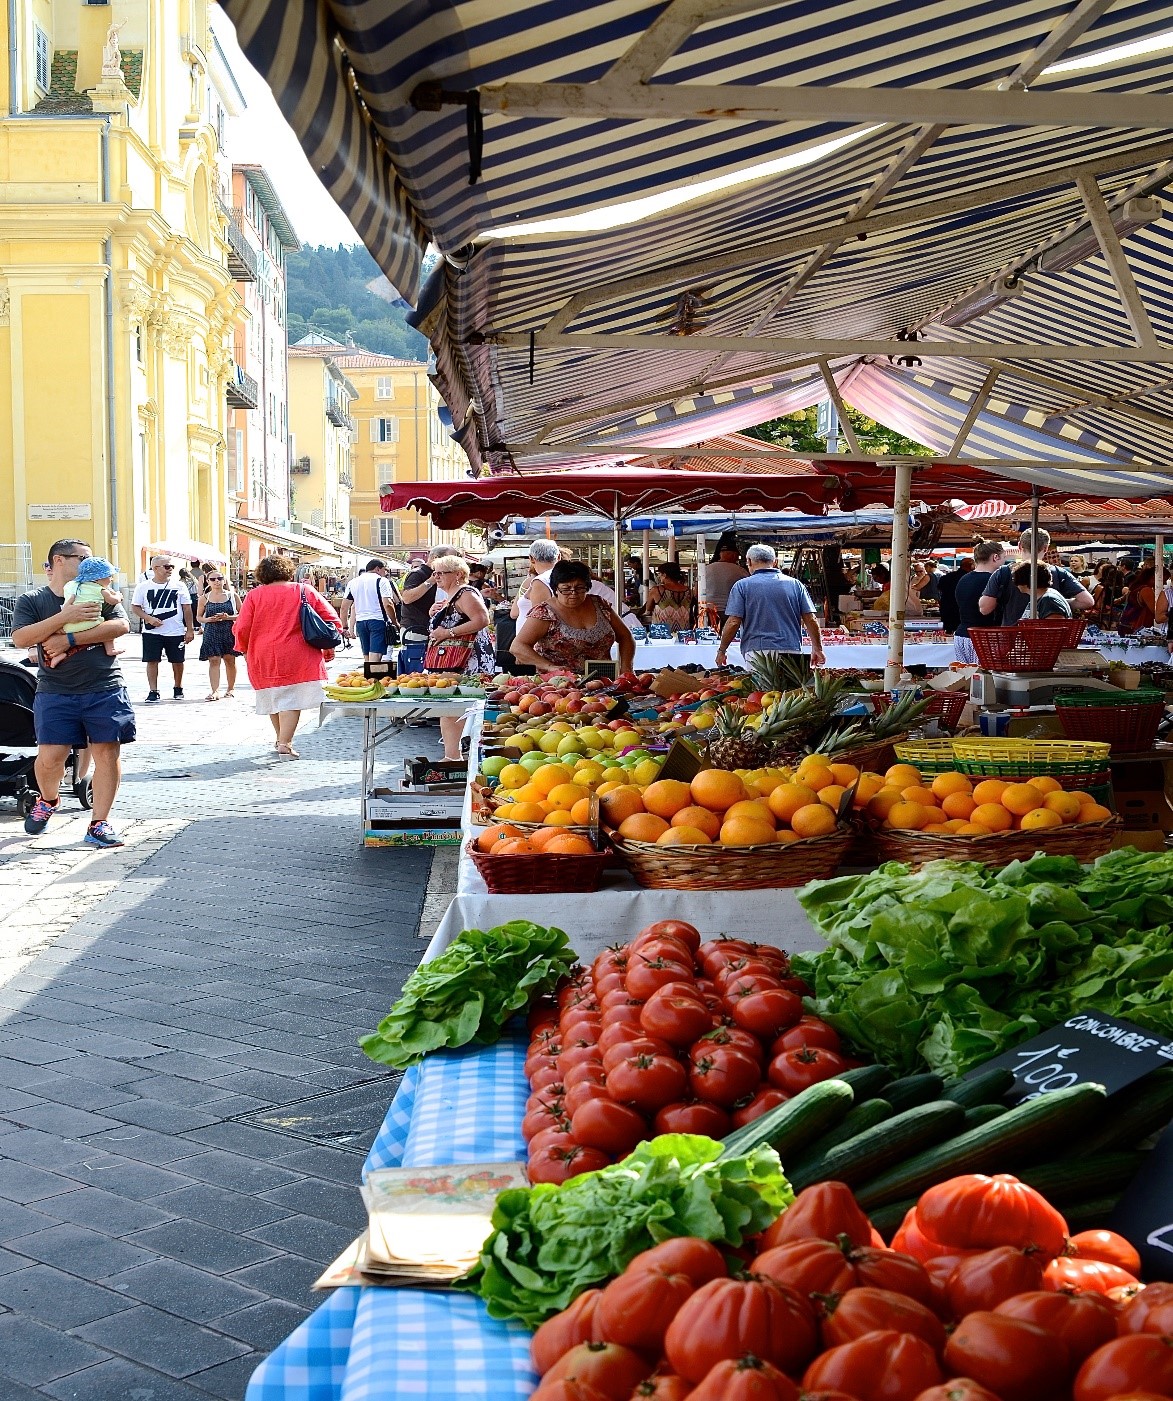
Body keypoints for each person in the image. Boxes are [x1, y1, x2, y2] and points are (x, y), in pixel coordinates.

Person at [10, 538, 134, 848]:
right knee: (51, 757)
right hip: (56, 691)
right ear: (60, 560)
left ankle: (99, 823)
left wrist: (68, 638)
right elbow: (22, 638)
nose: (93, 565)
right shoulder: (33, 599)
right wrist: (65, 616)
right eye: (84, 558)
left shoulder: (98, 589)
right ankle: (49, 800)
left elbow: (120, 625)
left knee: (107, 751)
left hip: (105, 685)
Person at [232, 555, 340, 759]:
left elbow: (242, 627)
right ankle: (285, 743)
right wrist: (328, 645)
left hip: (263, 653)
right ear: (289, 571)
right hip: (299, 652)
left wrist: (244, 650)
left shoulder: (254, 595)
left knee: (273, 697)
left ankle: (280, 738)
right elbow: (330, 618)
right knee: (292, 699)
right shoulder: (303, 590)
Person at [511, 560, 636, 675]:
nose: (573, 593)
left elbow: (625, 637)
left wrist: (626, 668)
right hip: (560, 685)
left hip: (603, 680)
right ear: (556, 589)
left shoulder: (600, 605)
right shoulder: (544, 613)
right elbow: (518, 646)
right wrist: (549, 666)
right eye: (566, 589)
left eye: (580, 588)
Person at [427, 557, 495, 761]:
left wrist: (449, 632)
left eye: (441, 573)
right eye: (435, 573)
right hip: (455, 661)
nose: (436, 577)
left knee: (464, 707)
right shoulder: (453, 595)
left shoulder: (466, 593)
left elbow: (482, 619)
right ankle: (452, 756)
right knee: (449, 707)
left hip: (468, 660)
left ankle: (463, 756)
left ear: (458, 574)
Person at [715, 543, 825, 668]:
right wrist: (817, 648)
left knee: (761, 688)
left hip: (758, 651)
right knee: (791, 688)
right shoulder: (796, 585)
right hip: (791, 649)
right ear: (775, 562)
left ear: (749, 561)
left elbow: (734, 622)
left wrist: (722, 650)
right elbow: (810, 619)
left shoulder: (742, 586)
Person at [979, 529, 1095, 626]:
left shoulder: (1003, 572)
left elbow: (985, 609)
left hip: (1011, 637)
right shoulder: (1059, 572)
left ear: (1020, 545)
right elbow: (1087, 601)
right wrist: (1061, 602)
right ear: (1046, 548)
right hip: (1045, 640)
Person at [131, 555, 194, 701]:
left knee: (178, 660)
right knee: (152, 660)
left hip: (175, 630)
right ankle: (153, 690)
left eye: (172, 566)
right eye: (167, 567)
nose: (170, 569)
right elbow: (135, 606)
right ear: (155, 568)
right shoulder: (143, 587)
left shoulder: (179, 585)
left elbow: (187, 607)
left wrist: (189, 629)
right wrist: (148, 618)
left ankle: (178, 687)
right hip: (152, 631)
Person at [48, 556, 122, 665]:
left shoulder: (70, 585)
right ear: (97, 578)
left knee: (56, 632)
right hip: (91, 623)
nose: (111, 579)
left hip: (69, 625)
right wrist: (118, 596)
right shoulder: (100, 589)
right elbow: (113, 601)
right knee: (106, 629)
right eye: (109, 576)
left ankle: (56, 656)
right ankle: (110, 649)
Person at [398, 545, 461, 671]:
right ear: (436, 558)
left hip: (434, 631)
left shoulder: (446, 575)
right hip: (416, 629)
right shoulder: (417, 574)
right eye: (450, 558)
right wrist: (431, 581)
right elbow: (407, 598)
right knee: (416, 671)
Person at [953, 540, 1007, 662]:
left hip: (962, 635)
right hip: (983, 638)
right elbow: (987, 610)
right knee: (985, 678)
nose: (1004, 561)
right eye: (1004, 557)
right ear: (995, 557)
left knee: (966, 677)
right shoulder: (992, 581)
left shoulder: (964, 579)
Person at [338, 559, 400, 662]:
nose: (386, 573)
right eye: (385, 570)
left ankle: (369, 677)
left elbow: (344, 607)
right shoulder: (382, 581)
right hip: (378, 621)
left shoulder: (353, 582)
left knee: (367, 655)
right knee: (375, 655)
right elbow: (388, 604)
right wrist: (395, 622)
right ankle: (374, 677)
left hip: (361, 622)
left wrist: (345, 626)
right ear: (377, 569)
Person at [197, 569, 240, 700]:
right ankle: (215, 691)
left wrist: (228, 617)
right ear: (208, 582)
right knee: (213, 660)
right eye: (213, 579)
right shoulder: (204, 598)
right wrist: (208, 620)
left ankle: (230, 688)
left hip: (228, 631)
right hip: (211, 631)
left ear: (224, 580)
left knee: (229, 660)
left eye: (220, 578)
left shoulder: (232, 596)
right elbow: (198, 617)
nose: (217, 581)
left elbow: (243, 615)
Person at [510, 539, 563, 623]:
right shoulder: (566, 578)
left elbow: (540, 620)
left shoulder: (539, 581)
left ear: (531, 559)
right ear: (559, 557)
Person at [644, 562, 696, 631]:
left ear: (665, 575)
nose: (659, 576)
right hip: (683, 630)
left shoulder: (656, 590)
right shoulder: (689, 591)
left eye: (660, 574)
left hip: (662, 632)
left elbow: (648, 608)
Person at [706, 540, 749, 624]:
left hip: (709, 610)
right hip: (731, 611)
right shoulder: (740, 571)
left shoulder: (706, 569)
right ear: (733, 555)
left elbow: (696, 591)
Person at [937, 557, 974, 635]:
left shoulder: (946, 577)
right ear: (971, 566)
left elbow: (939, 589)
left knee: (948, 634)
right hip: (962, 612)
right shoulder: (970, 578)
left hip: (947, 610)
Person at [1119, 563, 1157, 633]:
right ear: (1153, 578)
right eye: (1163, 580)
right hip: (1136, 626)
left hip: (1127, 624)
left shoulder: (1136, 587)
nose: (1164, 583)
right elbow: (1156, 611)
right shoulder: (1146, 590)